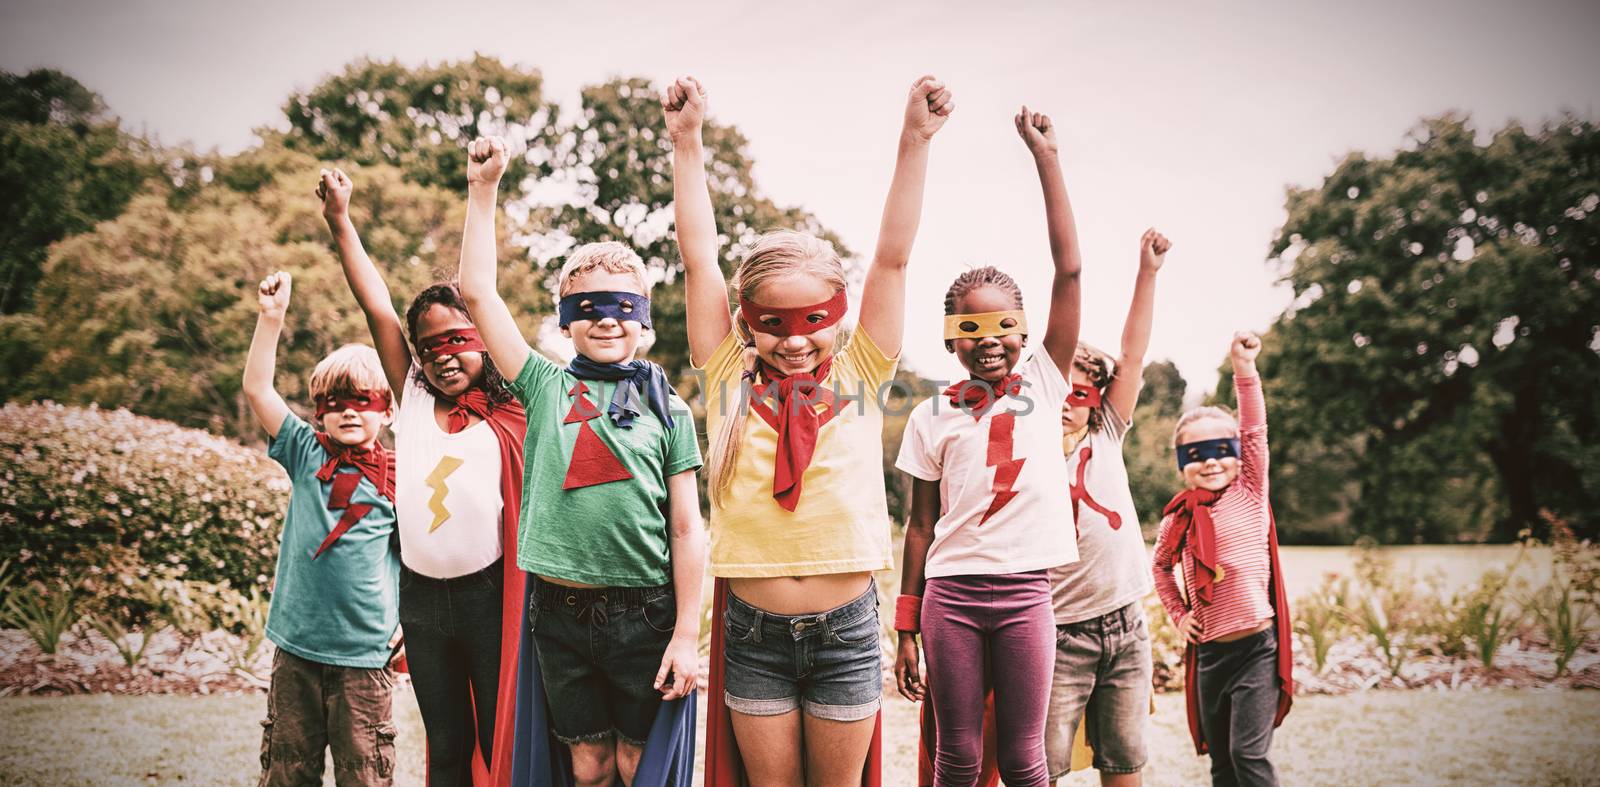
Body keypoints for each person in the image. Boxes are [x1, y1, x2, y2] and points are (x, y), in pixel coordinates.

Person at [668, 73, 951, 785]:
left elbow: (892, 256)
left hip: (847, 629)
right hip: (754, 633)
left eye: (812, 323)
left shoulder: (860, 372)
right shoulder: (728, 379)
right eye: (774, 325)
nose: (795, 342)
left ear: (838, 315)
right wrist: (687, 142)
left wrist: (914, 139)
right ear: (747, 322)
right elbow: (699, 258)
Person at [457, 136, 705, 787]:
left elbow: (686, 526)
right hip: (561, 611)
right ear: (565, 320)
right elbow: (477, 291)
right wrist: (484, 192)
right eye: (586, 307)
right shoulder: (541, 384)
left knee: (635, 762)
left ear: (644, 319)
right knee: (588, 765)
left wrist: (686, 632)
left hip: (644, 611)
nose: (604, 320)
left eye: (621, 306)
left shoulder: (668, 407)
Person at [318, 167, 529, 786]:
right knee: (445, 742)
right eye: (429, 346)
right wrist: (339, 220)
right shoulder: (410, 393)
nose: (443, 355)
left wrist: (481, 190)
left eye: (458, 339)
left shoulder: (514, 403)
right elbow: (375, 304)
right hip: (423, 599)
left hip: (489, 596)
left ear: (485, 339)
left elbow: (477, 286)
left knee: (499, 736)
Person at [893, 106, 1083, 787]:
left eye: (1005, 322)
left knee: (1026, 758)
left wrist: (1046, 156)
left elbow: (1070, 271)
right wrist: (906, 627)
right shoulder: (930, 416)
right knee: (957, 756)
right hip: (952, 597)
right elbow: (919, 527)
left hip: (1027, 595)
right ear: (951, 337)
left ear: (1026, 332)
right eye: (971, 325)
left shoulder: (1048, 380)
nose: (991, 337)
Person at [242, 270, 400, 786]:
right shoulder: (304, 451)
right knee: (288, 773)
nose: (349, 411)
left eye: (363, 400)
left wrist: (412, 630)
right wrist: (271, 319)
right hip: (297, 651)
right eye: (335, 402)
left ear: (389, 410)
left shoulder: (407, 474)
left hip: (365, 656)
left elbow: (418, 558)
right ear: (318, 412)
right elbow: (258, 388)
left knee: (365, 775)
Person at [1151, 331, 1294, 787]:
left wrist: (1243, 368)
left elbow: (1254, 429)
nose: (1210, 463)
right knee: (1222, 763)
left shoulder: (1250, 491)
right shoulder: (1179, 517)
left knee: (1247, 754)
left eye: (1220, 451)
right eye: (1196, 455)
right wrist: (1177, 614)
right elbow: (1159, 567)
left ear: (1237, 456)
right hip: (1211, 654)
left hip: (1256, 649)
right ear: (1181, 463)